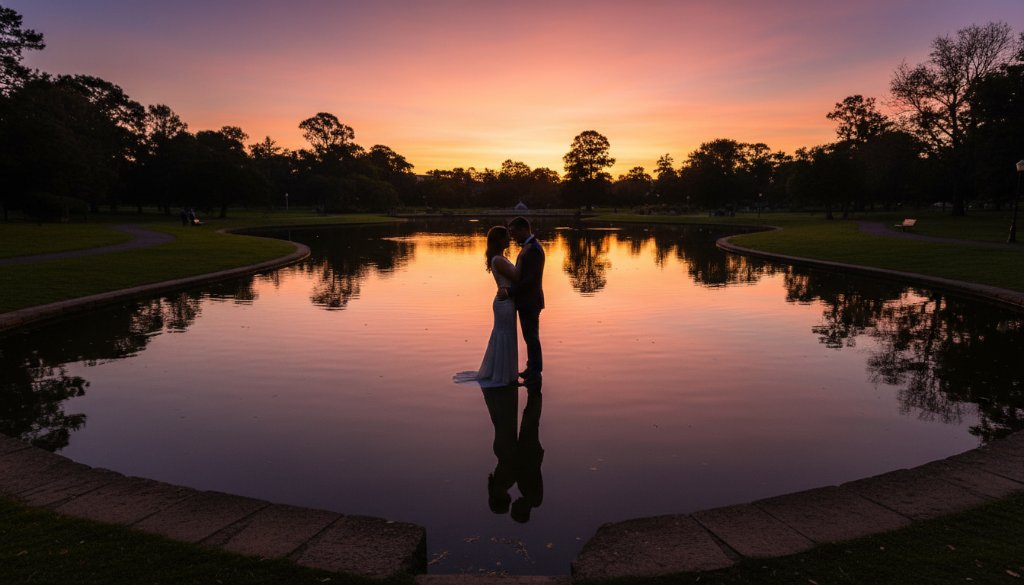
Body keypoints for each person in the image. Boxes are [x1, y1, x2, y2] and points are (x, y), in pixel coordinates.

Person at [453, 225, 520, 388]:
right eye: (506, 237)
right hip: (504, 303)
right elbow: (518, 277)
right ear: (500, 240)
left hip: (506, 301)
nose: (509, 239)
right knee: (504, 335)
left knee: (505, 335)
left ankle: (505, 373)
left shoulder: (499, 258)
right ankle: (502, 375)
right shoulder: (498, 260)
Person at [506, 216, 544, 384]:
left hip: (531, 300)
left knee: (532, 337)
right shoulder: (529, 247)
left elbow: (531, 279)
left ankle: (535, 373)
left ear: (523, 229)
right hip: (527, 300)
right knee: (529, 336)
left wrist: (511, 292)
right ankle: (531, 368)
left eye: (514, 233)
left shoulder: (534, 249)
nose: (513, 237)